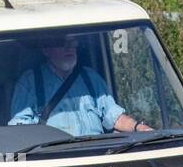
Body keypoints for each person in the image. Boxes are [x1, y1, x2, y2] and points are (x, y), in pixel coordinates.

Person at [8, 36, 152, 136]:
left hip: (99, 153)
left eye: (73, 42)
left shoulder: (90, 77)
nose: (69, 48)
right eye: (62, 43)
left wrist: (138, 127)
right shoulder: (31, 81)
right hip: (56, 158)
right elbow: (20, 130)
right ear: (46, 50)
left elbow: (113, 116)